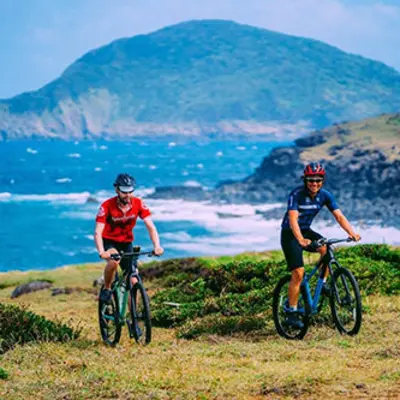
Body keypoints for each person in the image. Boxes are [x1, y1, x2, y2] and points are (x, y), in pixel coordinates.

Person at [280, 162, 361, 328]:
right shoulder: (296, 194)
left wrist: (351, 232)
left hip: (306, 230)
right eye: (311, 180)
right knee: (298, 273)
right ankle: (292, 312)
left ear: (322, 181)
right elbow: (293, 219)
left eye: (318, 180)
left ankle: (322, 285)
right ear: (305, 180)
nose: (314, 184)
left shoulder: (325, 195)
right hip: (290, 233)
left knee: (325, 249)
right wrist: (301, 240)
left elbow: (339, 216)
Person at [94, 173, 164, 302]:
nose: (128, 195)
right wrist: (102, 251)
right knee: (114, 261)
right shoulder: (106, 206)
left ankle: (133, 316)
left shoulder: (138, 203)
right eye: (124, 192)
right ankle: (107, 289)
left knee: (133, 279)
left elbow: (151, 226)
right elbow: (98, 232)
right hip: (110, 241)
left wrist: (157, 246)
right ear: (117, 189)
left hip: (126, 242)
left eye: (130, 191)